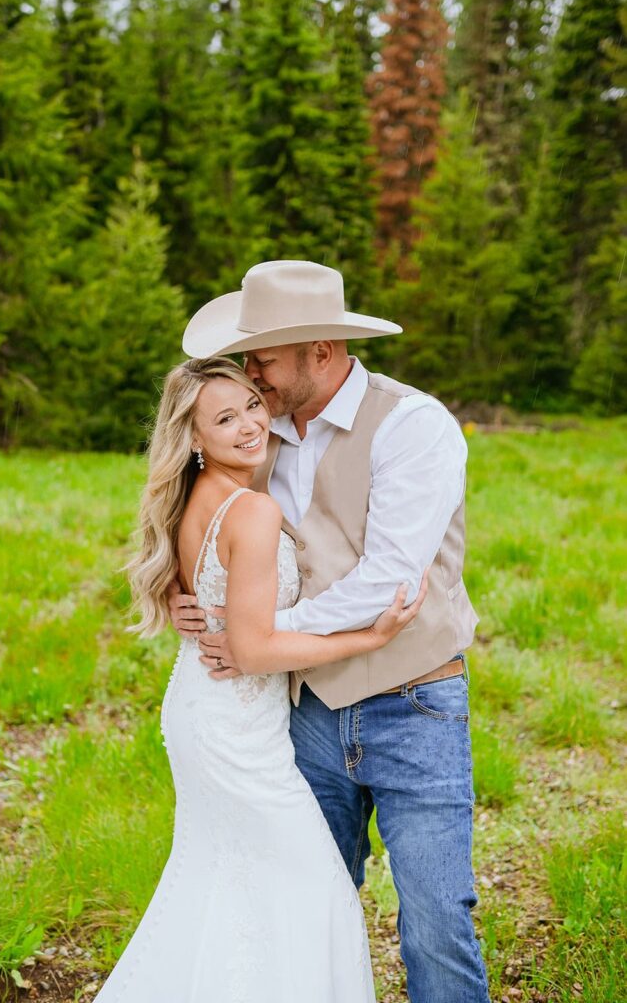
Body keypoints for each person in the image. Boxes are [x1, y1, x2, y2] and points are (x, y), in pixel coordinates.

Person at [170, 260, 491, 1003]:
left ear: (320, 350)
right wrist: (193, 603)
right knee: (304, 900)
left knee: (437, 919)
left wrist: (255, 631)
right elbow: (211, 530)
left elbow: (387, 584)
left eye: (263, 359)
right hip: (303, 706)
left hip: (413, 703)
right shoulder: (256, 432)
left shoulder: (412, 425)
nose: (251, 377)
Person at [93, 355, 427, 1003]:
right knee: (312, 890)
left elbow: (209, 595)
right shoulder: (251, 510)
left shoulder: (194, 498)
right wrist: (372, 636)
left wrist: (179, 602)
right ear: (193, 439)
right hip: (233, 726)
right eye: (224, 418)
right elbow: (251, 649)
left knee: (224, 883)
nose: (249, 424)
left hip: (205, 707)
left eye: (250, 403)